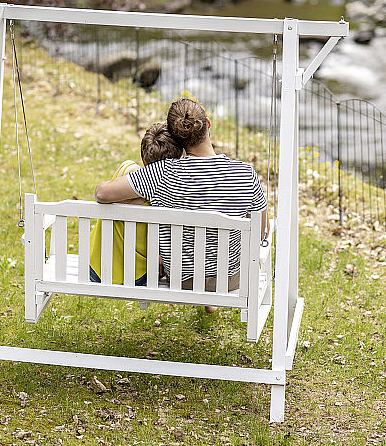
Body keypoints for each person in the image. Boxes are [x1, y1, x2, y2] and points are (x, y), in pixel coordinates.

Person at [94, 98, 268, 299]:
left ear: (175, 137)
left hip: (183, 280)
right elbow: (261, 230)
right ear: (208, 124)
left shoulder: (160, 173)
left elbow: (102, 193)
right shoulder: (245, 173)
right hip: (230, 279)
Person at [89, 122, 183, 285]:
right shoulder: (166, 193)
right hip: (137, 276)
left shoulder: (126, 169)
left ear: (143, 155)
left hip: (96, 268)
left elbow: (102, 192)